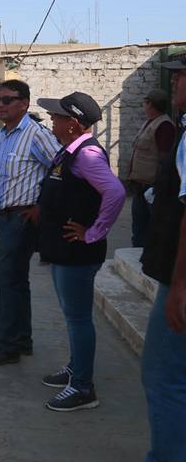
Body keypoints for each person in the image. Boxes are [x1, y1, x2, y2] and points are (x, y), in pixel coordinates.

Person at [35, 92, 124, 411]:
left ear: (72, 124)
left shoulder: (87, 155)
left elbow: (115, 192)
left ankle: (83, 388)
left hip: (78, 253)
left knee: (78, 319)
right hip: (64, 250)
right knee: (73, 316)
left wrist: (94, 232)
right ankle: (76, 368)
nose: (51, 120)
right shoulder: (69, 151)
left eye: (57, 117)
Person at [0, 79, 60, 365]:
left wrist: (41, 206)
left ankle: (8, 346)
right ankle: (21, 340)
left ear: (24, 103)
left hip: (23, 218)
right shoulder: (3, 135)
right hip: (5, 216)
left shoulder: (36, 135)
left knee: (5, 279)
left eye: (7, 100)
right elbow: (0, 179)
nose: (0, 105)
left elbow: (62, 169)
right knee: (16, 280)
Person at [141, 60, 186, 461]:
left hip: (181, 279)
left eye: (182, 74)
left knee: (164, 377)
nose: (174, 79)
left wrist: (180, 286)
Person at [128, 89, 175, 248]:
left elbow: (164, 158)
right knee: (139, 229)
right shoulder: (150, 122)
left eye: (145, 102)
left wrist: (158, 186)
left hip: (152, 188)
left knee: (153, 229)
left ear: (150, 104)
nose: (143, 106)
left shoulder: (164, 125)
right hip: (141, 186)